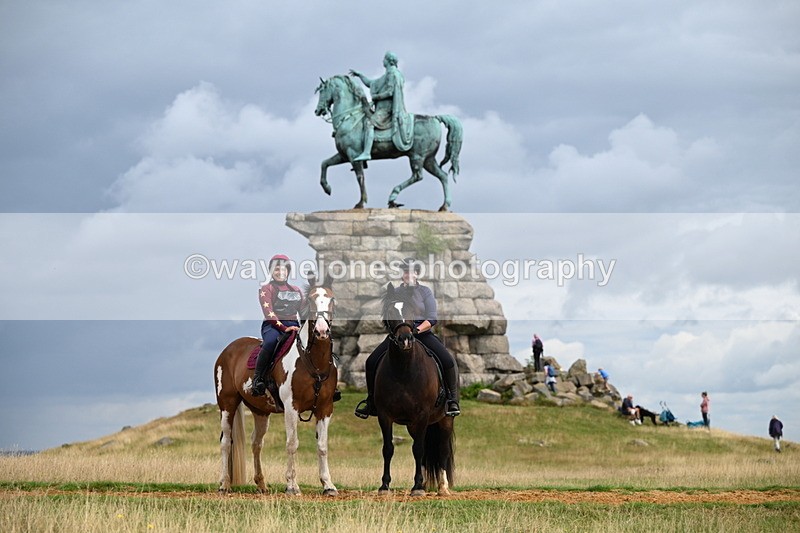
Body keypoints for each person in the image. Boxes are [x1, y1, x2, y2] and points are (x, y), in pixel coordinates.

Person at [354, 258, 461, 418]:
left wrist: (416, 330)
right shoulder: (395, 293)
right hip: (398, 335)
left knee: (447, 360)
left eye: (411, 272)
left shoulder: (425, 292)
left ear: (416, 274)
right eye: (405, 272)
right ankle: (371, 401)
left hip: (421, 334)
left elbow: (432, 318)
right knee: (371, 361)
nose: (408, 274)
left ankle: (451, 400)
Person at [251, 254, 303, 408]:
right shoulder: (266, 289)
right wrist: (284, 328)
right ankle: (258, 379)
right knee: (270, 342)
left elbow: (304, 311)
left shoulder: (297, 290)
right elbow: (269, 313)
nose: (280, 272)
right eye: (276, 269)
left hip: (294, 325)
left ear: (288, 271)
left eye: (283, 269)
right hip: (273, 326)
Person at [349, 51, 414, 161]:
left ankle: (366, 152)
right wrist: (360, 75)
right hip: (382, 109)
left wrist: (376, 97)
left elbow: (390, 92)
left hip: (386, 110)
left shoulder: (392, 74)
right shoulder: (387, 75)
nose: (382, 61)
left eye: (384, 59)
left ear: (388, 61)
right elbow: (371, 83)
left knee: (369, 123)